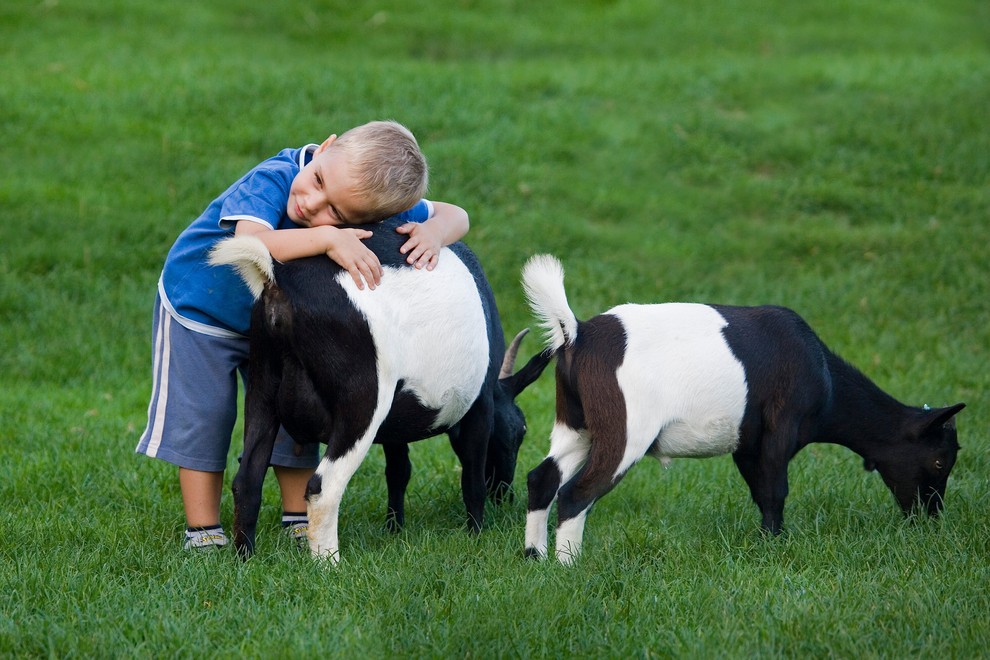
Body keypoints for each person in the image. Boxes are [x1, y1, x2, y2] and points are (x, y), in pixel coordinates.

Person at [136, 120, 469, 550]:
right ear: (324, 148)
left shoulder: (365, 193)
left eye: (336, 212)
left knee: (297, 405)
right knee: (207, 415)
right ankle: (203, 530)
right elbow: (251, 242)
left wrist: (434, 231)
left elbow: (456, 214)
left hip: (281, 320)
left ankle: (298, 515)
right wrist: (328, 236)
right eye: (317, 180)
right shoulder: (274, 177)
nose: (311, 204)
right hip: (203, 309)